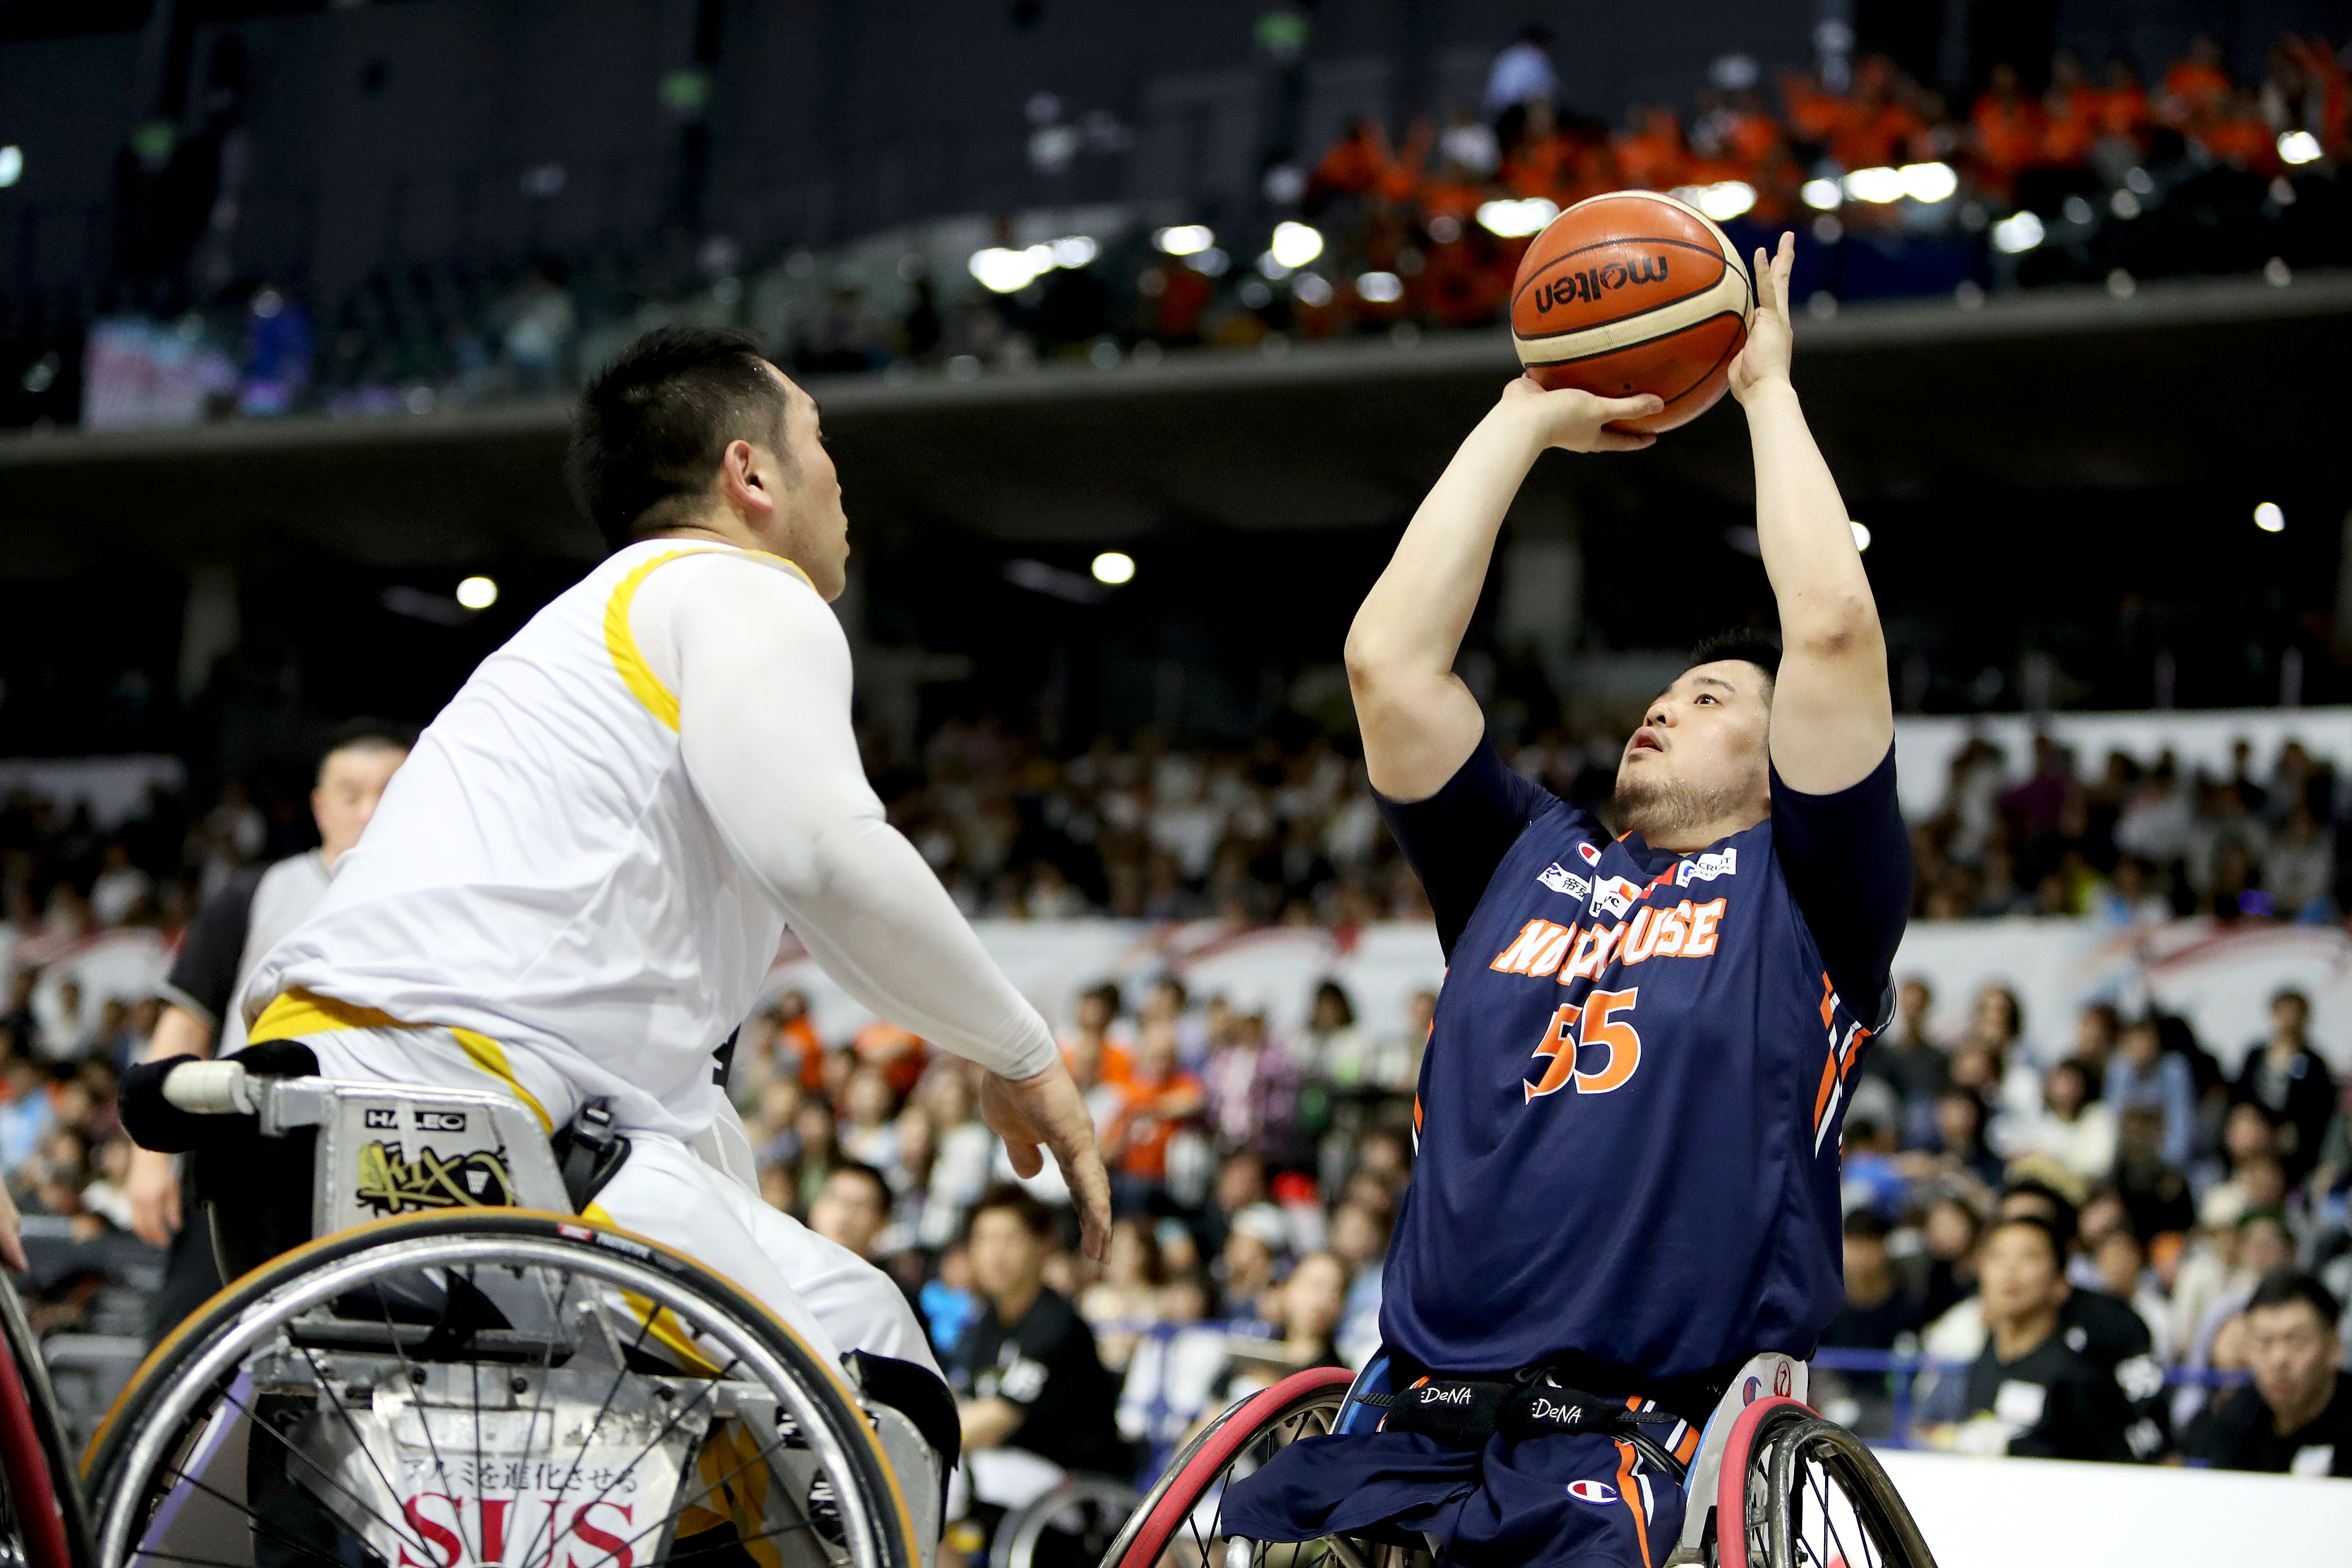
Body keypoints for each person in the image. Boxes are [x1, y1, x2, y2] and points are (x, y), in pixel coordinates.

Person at [147, 328, 1111, 1481]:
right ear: (751, 475)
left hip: (299, 1127)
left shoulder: (569, 645)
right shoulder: (744, 591)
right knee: (883, 1373)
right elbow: (827, 855)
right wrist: (1018, 1048)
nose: (841, 476)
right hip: (474, 1116)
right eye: (823, 443)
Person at [1222, 234, 1912, 1568]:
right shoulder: (1522, 856)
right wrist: (1520, 417)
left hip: (1647, 1427)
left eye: (1713, 699)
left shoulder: (1813, 887)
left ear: (1782, 770)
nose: (1665, 704)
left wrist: (1765, 387)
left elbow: (1829, 632)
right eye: (1666, 690)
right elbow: (1389, 664)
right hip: (1418, 1410)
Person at [125, 720, 411, 1341]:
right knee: (192, 1348)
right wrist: (148, 1159)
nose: (370, 810)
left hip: (386, 1159)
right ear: (319, 805)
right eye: (351, 792)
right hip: (246, 1152)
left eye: (391, 790)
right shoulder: (258, 892)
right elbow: (187, 1019)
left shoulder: (444, 900)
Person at [948, 1185, 1131, 1526]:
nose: (995, 1254)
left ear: (1043, 1245)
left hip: (1079, 1487)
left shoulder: (1056, 1325)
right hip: (1012, 1475)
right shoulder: (983, 1325)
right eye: (984, 1240)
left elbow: (994, 1419)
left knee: (950, 1480)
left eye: (1010, 1239)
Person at [1953, 1216, 2138, 1462]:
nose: (2010, 1270)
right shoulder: (1982, 1362)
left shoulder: (2079, 1377)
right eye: (1997, 1256)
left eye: (2029, 1256)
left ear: (2060, 1282)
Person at [2183, 1271, 2352, 1475]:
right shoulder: (2237, 1416)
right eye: (2264, 1341)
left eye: (2297, 1341)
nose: (2279, 1359)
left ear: (2334, 1348)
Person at [2234, 989, 2337, 1185]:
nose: (2289, 1020)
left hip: (2293, 1132)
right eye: (2283, 1012)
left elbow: (2319, 1108)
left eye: (2295, 1013)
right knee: (2245, 1127)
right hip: (2257, 1127)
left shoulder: (2314, 1062)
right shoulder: (2256, 1055)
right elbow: (2240, 1095)